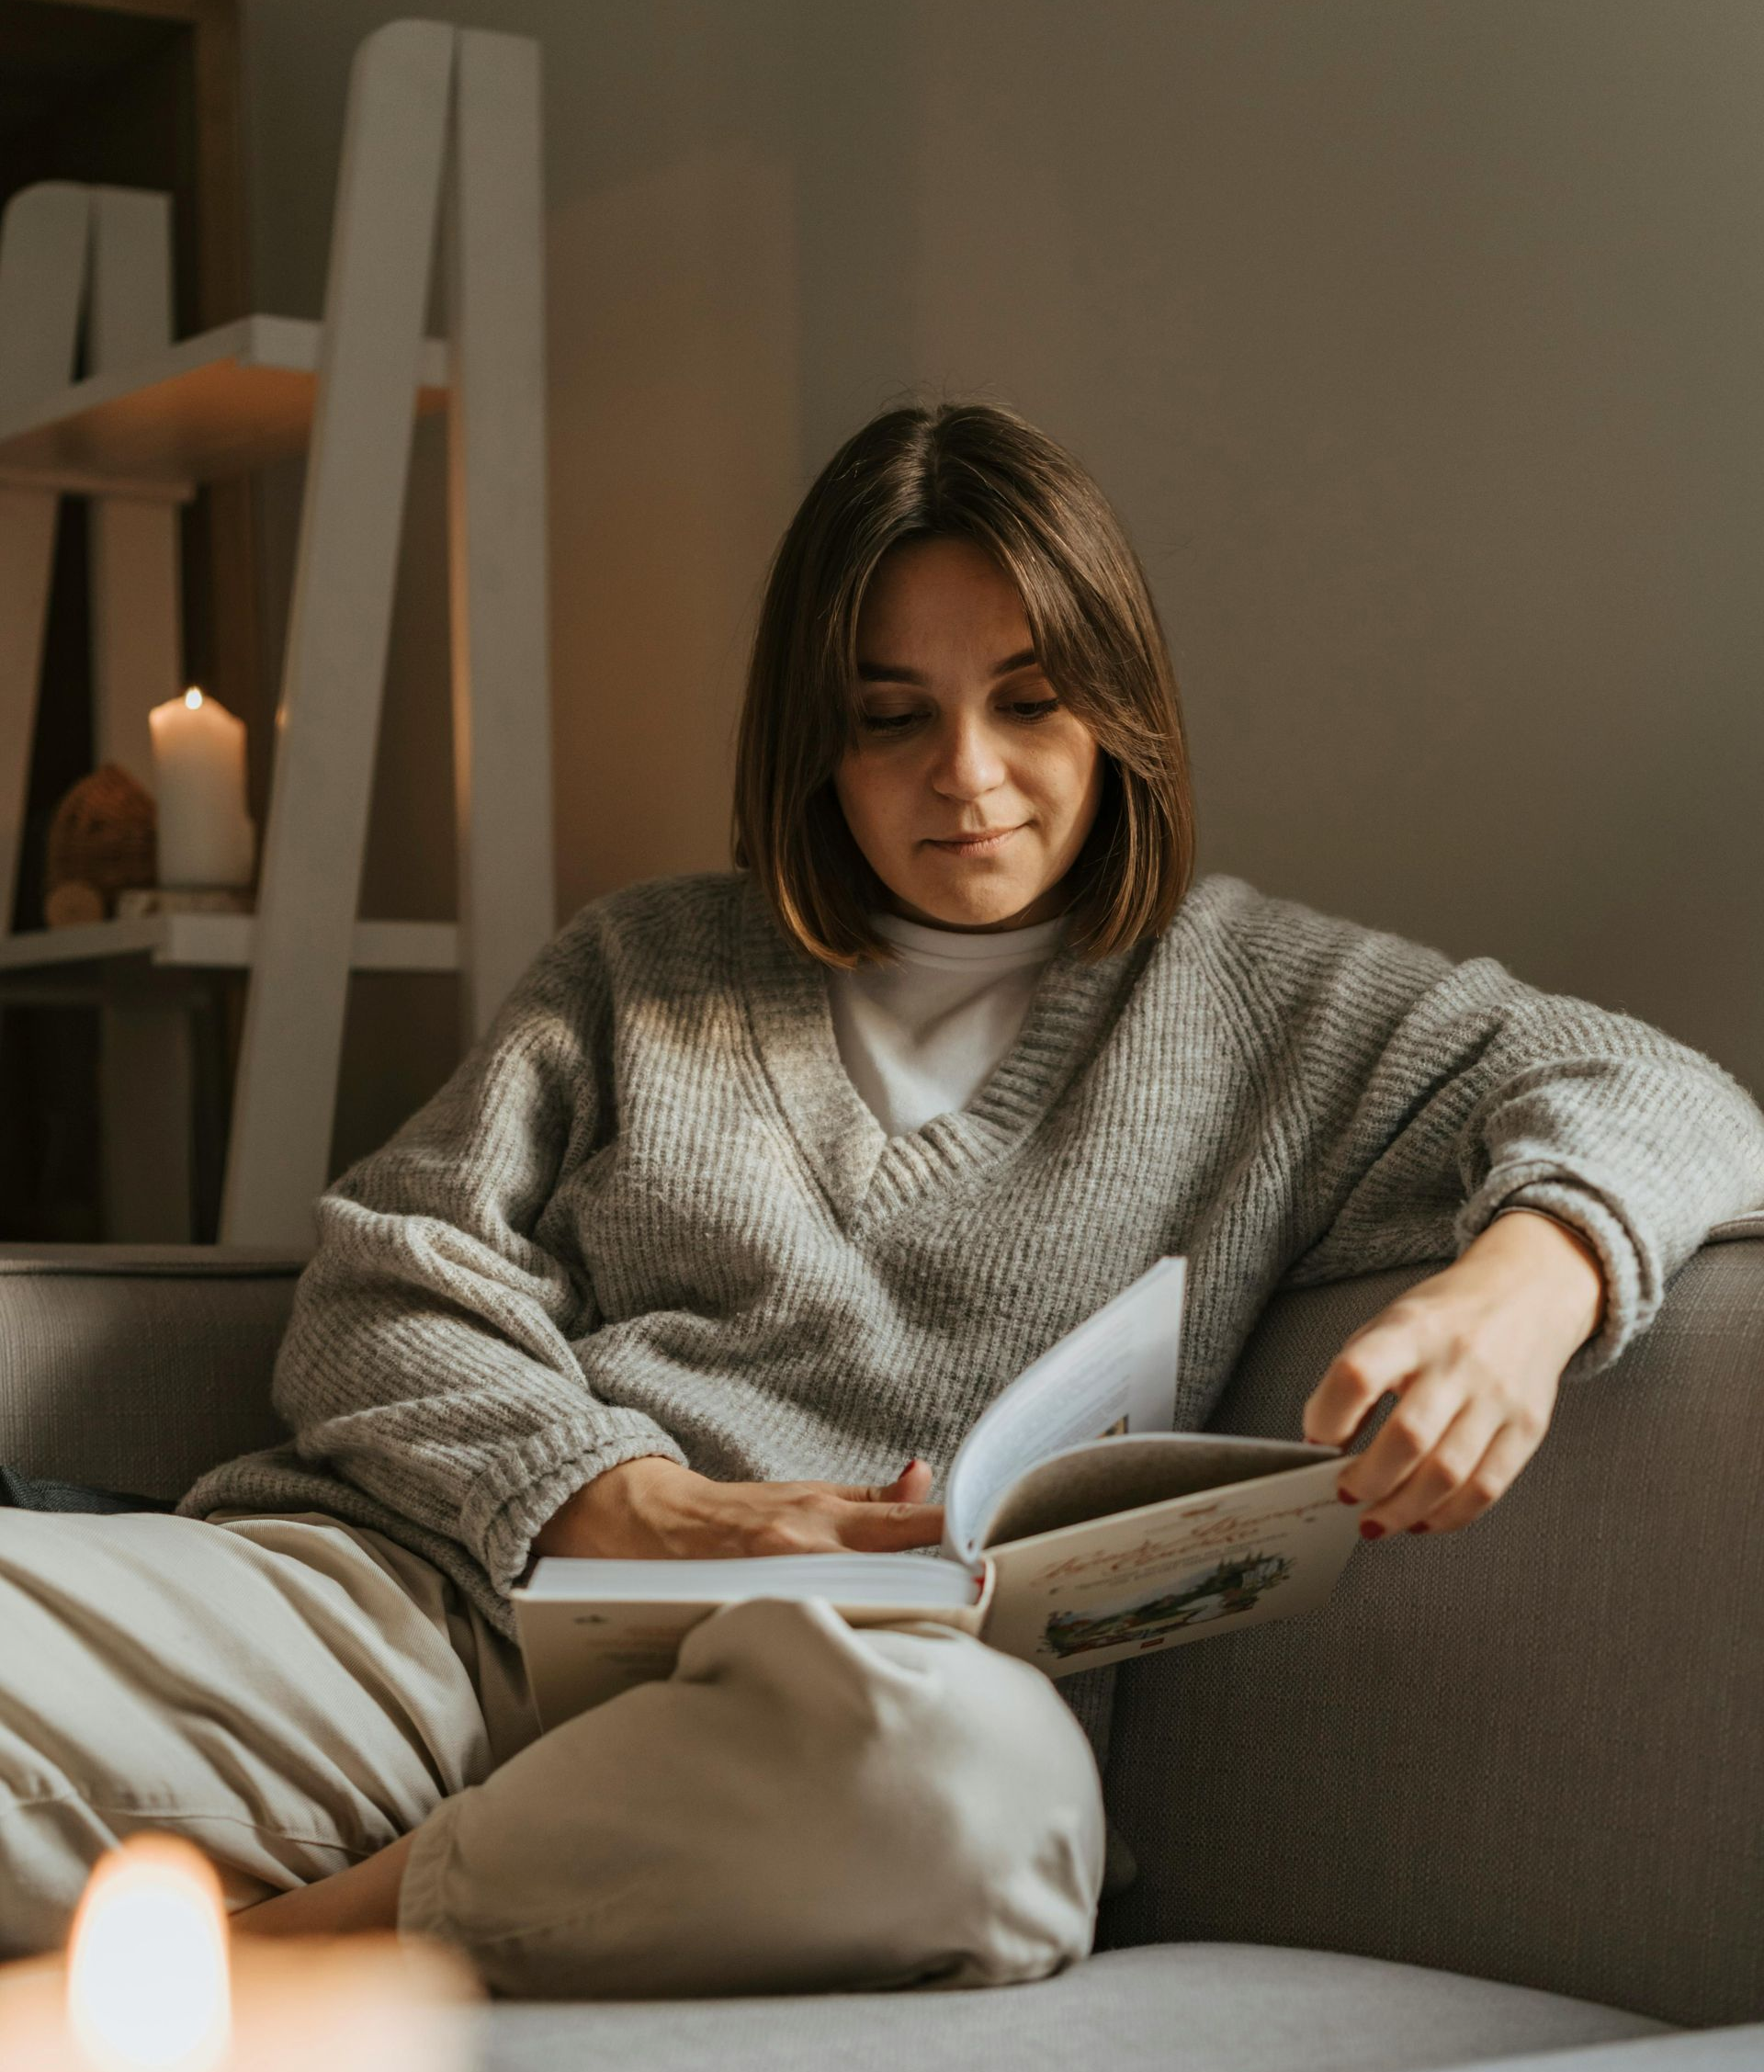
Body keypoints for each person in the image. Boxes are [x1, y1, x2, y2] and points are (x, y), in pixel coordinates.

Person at [4, 402, 1762, 1998]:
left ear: (1118, 705)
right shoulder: (643, 963)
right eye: (890, 718)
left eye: (1030, 699)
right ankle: (452, 1890)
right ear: (814, 744)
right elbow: (384, 1293)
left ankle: (279, 1947)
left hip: (846, 1722)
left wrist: (1524, 1291)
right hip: (434, 1625)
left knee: (987, 1810)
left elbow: (1672, 1095)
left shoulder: (1265, 1006)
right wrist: (652, 1511)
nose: (968, 776)